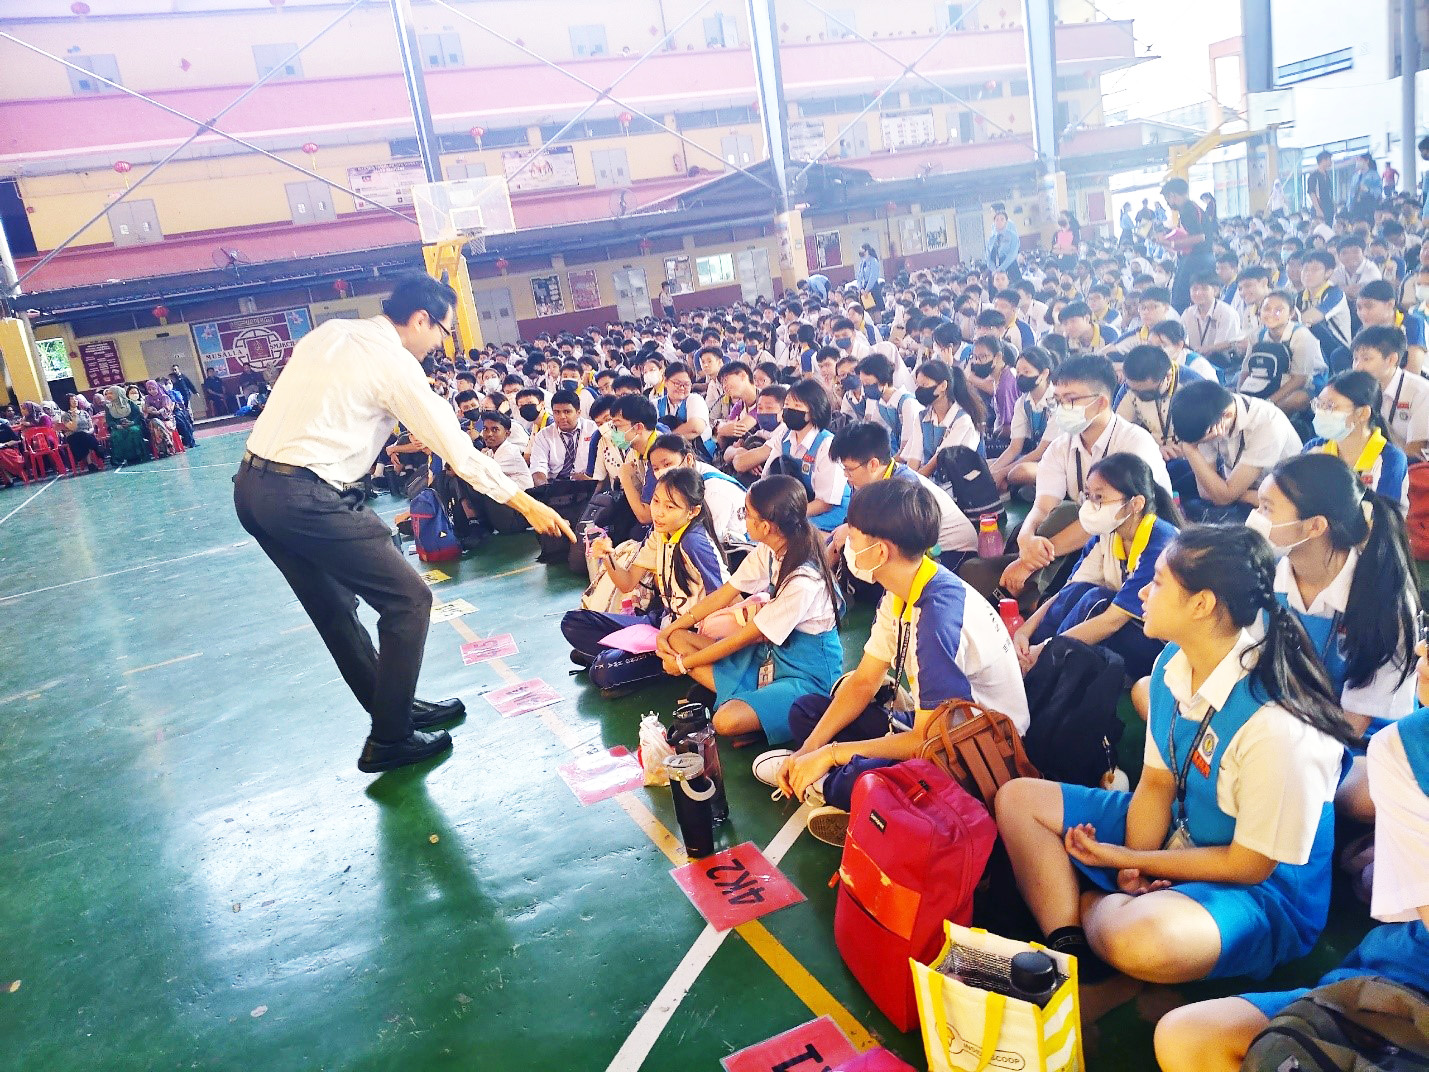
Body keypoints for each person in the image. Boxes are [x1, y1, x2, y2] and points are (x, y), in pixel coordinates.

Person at [233, 273, 573, 775]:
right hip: (308, 496)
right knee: (409, 600)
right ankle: (390, 739)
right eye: (439, 331)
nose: (438, 344)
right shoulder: (394, 363)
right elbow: (457, 451)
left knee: (335, 610)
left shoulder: (330, 332)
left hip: (253, 488)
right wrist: (528, 505)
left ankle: (392, 710)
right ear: (419, 320)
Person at [997, 523, 1357, 986]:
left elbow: (1248, 865)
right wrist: (1131, 863)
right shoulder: (1172, 661)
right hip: (1180, 828)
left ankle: (1090, 904)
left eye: (1160, 581)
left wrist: (1118, 859)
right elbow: (1157, 784)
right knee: (1018, 800)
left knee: (1146, 940)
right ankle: (1073, 944)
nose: (1143, 590)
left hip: (1259, 890)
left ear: (1202, 604)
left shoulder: (1279, 725)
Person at [1153, 677, 1429, 1072]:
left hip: (1282, 888)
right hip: (1402, 977)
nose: (1423, 648)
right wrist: (1127, 863)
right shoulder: (1409, 745)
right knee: (1189, 1036)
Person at [754, 478, 1028, 845]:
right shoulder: (903, 590)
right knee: (806, 713)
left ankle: (838, 789)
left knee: (857, 776)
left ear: (880, 552)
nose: (844, 544)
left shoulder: (937, 620)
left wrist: (831, 753)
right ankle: (833, 786)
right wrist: (811, 749)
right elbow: (864, 682)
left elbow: (926, 743)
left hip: (978, 753)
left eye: (851, 537)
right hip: (932, 725)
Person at [1252, 452, 1418, 819]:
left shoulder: (1384, 600)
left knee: (1364, 797)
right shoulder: (1267, 575)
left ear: (1314, 526)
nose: (1255, 519)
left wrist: (1269, 745)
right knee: (1152, 690)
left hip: (1359, 739)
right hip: (1281, 718)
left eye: (1267, 508)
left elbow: (1352, 725)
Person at [657, 475, 844, 744]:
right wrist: (671, 630)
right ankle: (754, 708)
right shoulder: (770, 550)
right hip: (770, 657)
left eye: (747, 513)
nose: (743, 518)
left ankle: (756, 711)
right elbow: (725, 593)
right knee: (678, 640)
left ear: (766, 526)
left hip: (806, 677)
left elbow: (742, 638)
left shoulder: (803, 580)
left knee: (724, 720)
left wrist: (682, 664)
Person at [992, 354, 1171, 602]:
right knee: (1060, 514)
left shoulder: (1134, 443)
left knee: (1067, 515)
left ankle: (1030, 597)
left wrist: (1030, 562)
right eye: (1059, 400)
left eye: (1072, 399)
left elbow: (1109, 518)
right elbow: (1043, 506)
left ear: (1100, 403)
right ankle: (1030, 597)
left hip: (1137, 542)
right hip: (1095, 543)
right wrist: (1026, 537)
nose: (1063, 408)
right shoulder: (1061, 447)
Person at [562, 468, 728, 696]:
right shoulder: (660, 533)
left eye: (670, 507)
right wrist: (607, 555)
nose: (658, 512)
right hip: (660, 622)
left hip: (683, 636)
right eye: (656, 501)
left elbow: (725, 598)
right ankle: (621, 657)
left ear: (693, 511)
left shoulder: (694, 542)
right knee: (573, 622)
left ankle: (659, 665)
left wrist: (684, 636)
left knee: (603, 671)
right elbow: (627, 583)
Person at [1015, 453, 1182, 680]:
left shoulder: (1161, 543)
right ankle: (1027, 662)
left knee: (1098, 601)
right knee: (1078, 591)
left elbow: (1112, 621)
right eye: (1089, 496)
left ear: (1135, 504)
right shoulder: (1108, 533)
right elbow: (1068, 591)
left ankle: (1041, 672)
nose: (1091, 505)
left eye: (1100, 498)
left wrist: (1046, 649)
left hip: (1159, 644)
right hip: (1124, 631)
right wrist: (1025, 632)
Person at [829, 421, 978, 571]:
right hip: (920, 548)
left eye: (849, 469)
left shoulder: (905, 487)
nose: (845, 474)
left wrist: (849, 536)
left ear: (873, 464)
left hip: (951, 550)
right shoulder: (862, 481)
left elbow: (900, 542)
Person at [1168, 379, 1301, 522]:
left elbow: (1223, 498)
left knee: (1202, 518)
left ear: (1227, 415)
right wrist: (1227, 492)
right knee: (1175, 480)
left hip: (1277, 499)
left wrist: (1190, 451)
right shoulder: (1208, 424)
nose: (1196, 444)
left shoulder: (1266, 425)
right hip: (1239, 487)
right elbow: (1206, 493)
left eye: (1200, 440)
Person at [1303, 370, 1408, 505]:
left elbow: (1384, 516)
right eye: (1318, 404)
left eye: (1330, 406)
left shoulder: (1389, 459)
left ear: (1362, 413)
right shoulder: (1313, 449)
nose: (1320, 412)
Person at [762, 379, 850, 532]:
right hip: (797, 506)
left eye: (797, 406)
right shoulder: (784, 436)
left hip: (830, 511)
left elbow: (826, 502)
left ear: (813, 411)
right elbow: (767, 476)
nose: (789, 410)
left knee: (786, 532)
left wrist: (788, 517)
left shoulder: (826, 444)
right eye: (787, 405)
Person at [647, 433, 747, 547]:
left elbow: (711, 538)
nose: (662, 472)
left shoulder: (713, 490)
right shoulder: (682, 483)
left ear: (688, 459)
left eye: (667, 464)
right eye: (656, 468)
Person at [988, 345, 1058, 493]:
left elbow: (1042, 451)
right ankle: (1022, 488)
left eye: (1027, 372)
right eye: (1018, 372)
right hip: (1032, 458)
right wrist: (991, 472)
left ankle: (1025, 487)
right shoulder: (1023, 402)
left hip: (1053, 461)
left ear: (1044, 374)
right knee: (988, 465)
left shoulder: (1056, 402)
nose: (1020, 376)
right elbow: (1014, 448)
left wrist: (1002, 472)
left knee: (1018, 472)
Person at [1352, 324, 1428, 459]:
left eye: (1366, 359)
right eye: (1355, 358)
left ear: (1392, 359)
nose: (1358, 366)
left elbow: (1415, 452)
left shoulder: (1421, 392)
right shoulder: (1356, 389)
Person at [848, 353, 922, 465]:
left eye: (868, 383)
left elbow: (906, 450)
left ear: (884, 381)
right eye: (863, 384)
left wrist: (885, 465)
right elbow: (874, 433)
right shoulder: (880, 402)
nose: (865, 388)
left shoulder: (907, 403)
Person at [912, 358, 985, 473]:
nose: (919, 390)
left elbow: (937, 462)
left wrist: (913, 482)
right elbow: (914, 458)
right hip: (928, 481)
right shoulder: (922, 417)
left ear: (943, 386)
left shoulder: (962, 420)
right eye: (917, 385)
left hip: (956, 483)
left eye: (924, 385)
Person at [527, 388, 596, 486]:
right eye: (557, 412)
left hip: (586, 483)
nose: (562, 416)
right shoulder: (544, 435)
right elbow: (538, 468)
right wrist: (545, 490)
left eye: (567, 412)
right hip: (554, 484)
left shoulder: (592, 429)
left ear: (578, 413)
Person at [102, 386, 149, 467]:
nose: (109, 395)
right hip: (118, 427)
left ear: (118, 394)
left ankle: (138, 456)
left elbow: (138, 416)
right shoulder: (108, 407)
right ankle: (120, 459)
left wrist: (132, 422)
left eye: (111, 393)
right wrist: (117, 426)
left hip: (133, 424)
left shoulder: (130, 403)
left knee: (134, 431)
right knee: (116, 435)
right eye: (108, 393)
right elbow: (109, 421)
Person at [60, 393, 104, 471]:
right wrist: (74, 417)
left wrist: (88, 432)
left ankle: (90, 464)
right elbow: (73, 428)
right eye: (72, 399)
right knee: (82, 435)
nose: (75, 401)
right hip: (73, 436)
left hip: (87, 435)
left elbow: (91, 427)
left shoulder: (84, 413)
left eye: (76, 399)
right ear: (67, 402)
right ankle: (98, 449)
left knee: (85, 436)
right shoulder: (66, 415)